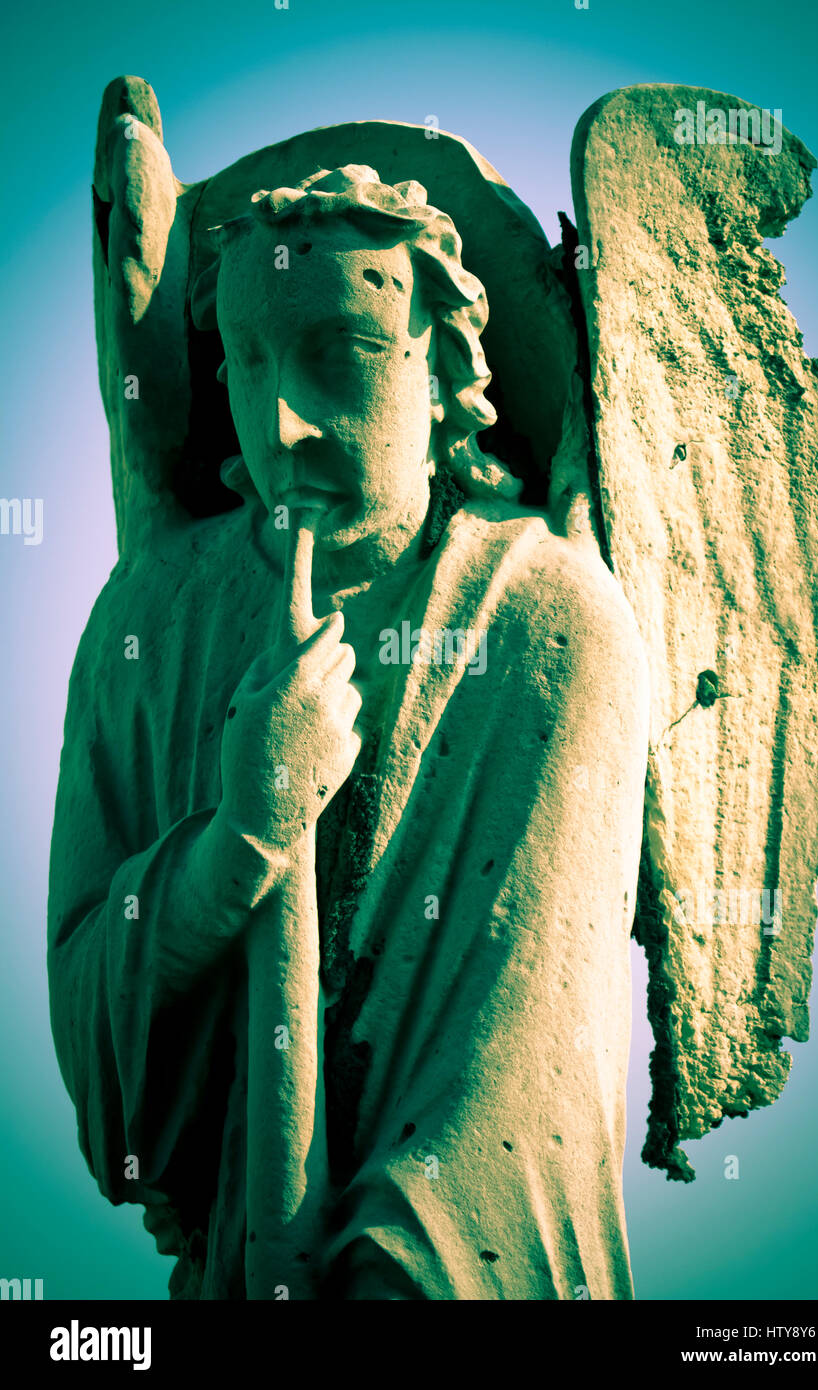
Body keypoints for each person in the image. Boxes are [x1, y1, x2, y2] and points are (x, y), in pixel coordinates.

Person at [48, 166, 649, 1299]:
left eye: (341, 356)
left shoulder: (547, 624)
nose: (281, 422)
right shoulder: (152, 618)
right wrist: (238, 841)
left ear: (438, 372)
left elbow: (523, 1090)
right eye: (251, 364)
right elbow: (97, 1053)